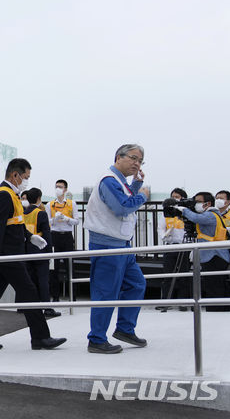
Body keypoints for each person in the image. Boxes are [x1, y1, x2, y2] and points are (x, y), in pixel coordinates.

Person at [0, 158, 66, 351]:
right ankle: (40, 337)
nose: (27, 181)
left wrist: (30, 237)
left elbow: (15, 224)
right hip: (7, 256)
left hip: (8, 255)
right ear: (15, 175)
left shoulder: (12, 194)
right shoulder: (3, 195)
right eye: (26, 177)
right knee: (29, 292)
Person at [84, 144, 149, 354]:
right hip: (107, 244)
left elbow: (125, 199)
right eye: (133, 158)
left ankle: (124, 328)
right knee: (106, 292)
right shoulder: (109, 180)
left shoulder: (119, 181)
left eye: (140, 161)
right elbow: (122, 207)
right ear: (118, 157)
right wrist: (144, 196)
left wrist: (136, 185)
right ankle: (96, 339)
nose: (136, 163)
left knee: (137, 284)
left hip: (122, 244)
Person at [176, 192, 230, 312]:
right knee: (212, 284)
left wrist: (184, 210)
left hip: (215, 255)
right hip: (212, 255)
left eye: (199, 202)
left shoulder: (211, 215)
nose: (196, 204)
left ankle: (217, 311)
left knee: (214, 286)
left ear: (208, 203)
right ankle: (218, 309)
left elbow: (196, 218)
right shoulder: (210, 214)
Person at [23, 188, 59, 318]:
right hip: (40, 251)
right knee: (43, 280)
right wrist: (50, 253)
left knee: (30, 281)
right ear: (39, 198)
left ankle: (30, 306)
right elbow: (47, 235)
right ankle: (47, 308)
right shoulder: (41, 213)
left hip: (26, 251)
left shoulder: (24, 213)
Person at [156, 188, 190, 311]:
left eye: (177, 196)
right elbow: (160, 228)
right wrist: (164, 236)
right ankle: (165, 301)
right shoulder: (166, 214)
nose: (175, 198)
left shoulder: (185, 212)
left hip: (184, 246)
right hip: (170, 245)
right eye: (173, 196)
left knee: (184, 275)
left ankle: (183, 302)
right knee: (168, 274)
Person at [45, 180, 79, 303]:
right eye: (56, 187)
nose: (58, 189)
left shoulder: (72, 203)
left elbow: (77, 221)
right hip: (54, 236)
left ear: (65, 189)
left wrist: (66, 219)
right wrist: (55, 219)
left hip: (67, 236)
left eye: (60, 187)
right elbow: (48, 222)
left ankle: (73, 296)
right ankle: (55, 296)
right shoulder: (50, 204)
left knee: (70, 266)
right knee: (54, 268)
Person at [216, 190, 230, 300]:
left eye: (221, 198)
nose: (218, 200)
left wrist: (223, 231)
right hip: (219, 248)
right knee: (223, 277)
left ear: (228, 201)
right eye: (217, 198)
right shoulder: (213, 214)